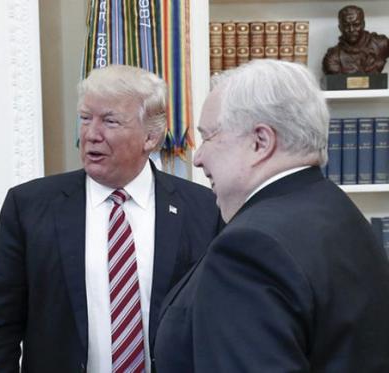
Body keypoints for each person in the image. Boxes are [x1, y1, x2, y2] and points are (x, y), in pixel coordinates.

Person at [0, 64, 223, 373]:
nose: (91, 135)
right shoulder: (28, 207)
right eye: (84, 118)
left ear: (151, 136)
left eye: (110, 121)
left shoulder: (204, 209)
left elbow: (221, 322)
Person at [154, 59, 389, 372]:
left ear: (260, 142)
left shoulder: (251, 248)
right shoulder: (336, 208)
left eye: (208, 136)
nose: (197, 158)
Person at [322, 5, 389, 74]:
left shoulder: (380, 44)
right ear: (340, 28)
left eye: (356, 25)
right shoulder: (333, 58)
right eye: (346, 26)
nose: (351, 30)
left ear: (363, 24)